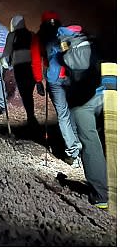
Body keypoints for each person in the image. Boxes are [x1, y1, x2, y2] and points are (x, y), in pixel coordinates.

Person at [57, 25, 108, 209]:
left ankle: (101, 195)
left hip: (83, 102)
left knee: (90, 144)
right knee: (108, 139)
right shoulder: (93, 43)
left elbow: (60, 72)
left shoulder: (67, 49)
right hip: (106, 95)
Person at [31, 11, 81, 163]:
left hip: (54, 78)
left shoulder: (39, 36)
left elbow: (35, 59)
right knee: (73, 110)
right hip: (70, 76)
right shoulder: (64, 32)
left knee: (63, 113)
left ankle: (72, 151)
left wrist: (39, 81)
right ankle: (80, 146)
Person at [2, 15, 38, 129]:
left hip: (20, 67)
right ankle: (31, 117)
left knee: (24, 93)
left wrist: (3, 62)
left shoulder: (12, 35)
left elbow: (6, 52)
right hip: (32, 66)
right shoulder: (32, 34)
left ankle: (31, 118)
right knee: (29, 92)